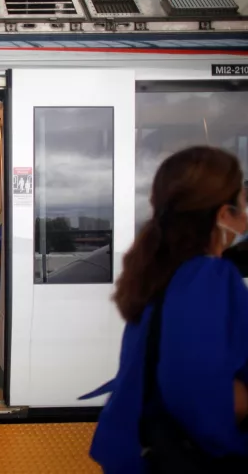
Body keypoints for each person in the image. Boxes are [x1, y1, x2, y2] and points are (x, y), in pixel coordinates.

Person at [89, 147, 248, 473]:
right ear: (223, 214)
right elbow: (198, 393)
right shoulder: (207, 278)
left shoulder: (161, 268)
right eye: (243, 202)